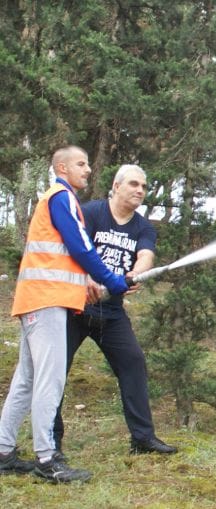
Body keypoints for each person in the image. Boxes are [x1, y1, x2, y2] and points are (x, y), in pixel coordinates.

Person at [0, 146, 130, 483]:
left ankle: (3, 451)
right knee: (50, 378)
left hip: (37, 301)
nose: (87, 170)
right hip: (46, 302)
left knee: (27, 380)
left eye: (87, 164)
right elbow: (81, 246)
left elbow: (67, 254)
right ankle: (47, 458)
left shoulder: (57, 199)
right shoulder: (62, 196)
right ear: (62, 167)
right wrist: (111, 279)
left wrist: (90, 279)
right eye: (80, 163)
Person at [53, 164, 176, 456]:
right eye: (134, 184)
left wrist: (136, 273)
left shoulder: (142, 226)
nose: (140, 191)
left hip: (111, 313)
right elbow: (72, 249)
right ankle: (51, 443)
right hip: (74, 308)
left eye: (144, 187)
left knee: (133, 363)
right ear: (117, 185)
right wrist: (85, 278)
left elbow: (145, 254)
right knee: (56, 372)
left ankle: (142, 439)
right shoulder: (92, 212)